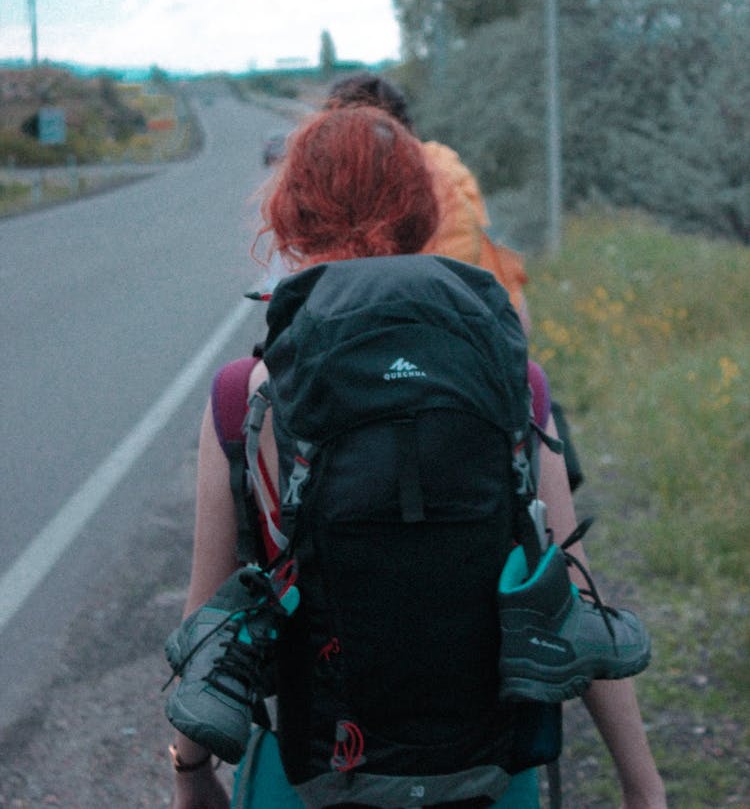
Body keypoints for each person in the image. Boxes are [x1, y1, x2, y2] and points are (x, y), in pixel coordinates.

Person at [167, 106, 666, 809]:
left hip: (312, 765)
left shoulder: (242, 398)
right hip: (488, 765)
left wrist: (190, 772)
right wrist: (643, 786)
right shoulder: (513, 381)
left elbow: (207, 614)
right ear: (424, 214)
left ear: (290, 219)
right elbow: (571, 590)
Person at [322, 73, 531, 333]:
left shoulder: (337, 189)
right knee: (532, 374)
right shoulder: (448, 169)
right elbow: (515, 313)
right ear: (407, 126)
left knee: (259, 367)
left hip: (381, 346)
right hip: (474, 342)